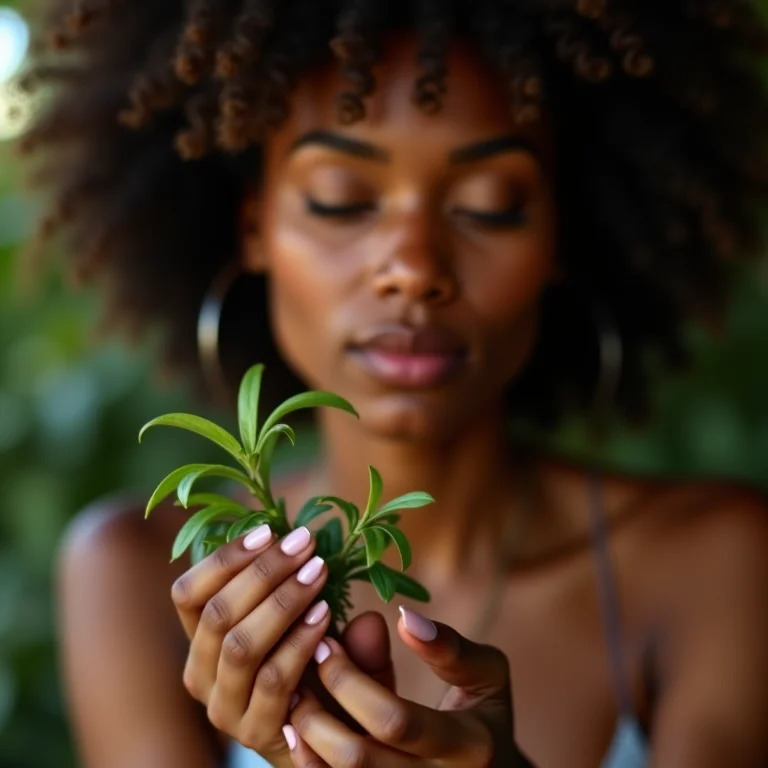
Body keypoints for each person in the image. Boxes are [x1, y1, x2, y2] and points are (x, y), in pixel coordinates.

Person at [19, 0, 768, 766]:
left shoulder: (717, 562)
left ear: (558, 239)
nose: (413, 267)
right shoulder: (140, 573)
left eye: (491, 206)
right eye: (342, 198)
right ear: (254, 225)